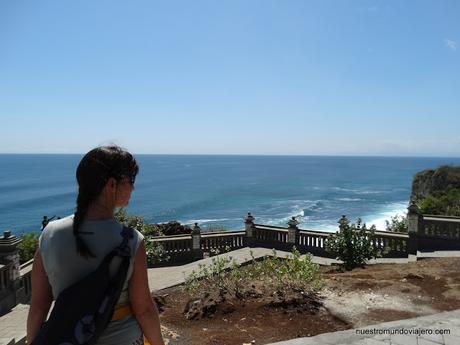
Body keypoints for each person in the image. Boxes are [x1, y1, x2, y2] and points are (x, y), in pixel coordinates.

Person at [27, 146, 165, 345]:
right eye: (130, 181)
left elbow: (39, 307)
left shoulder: (49, 234)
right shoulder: (131, 240)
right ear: (111, 184)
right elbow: (144, 309)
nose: (133, 188)